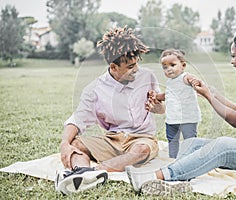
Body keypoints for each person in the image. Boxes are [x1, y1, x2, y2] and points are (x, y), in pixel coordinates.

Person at [126, 23, 236, 196]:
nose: (231, 61)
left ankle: (154, 177)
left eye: (235, 56)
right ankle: (174, 177)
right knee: (192, 143)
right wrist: (213, 91)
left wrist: (208, 96)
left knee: (222, 145)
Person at [55, 26, 165, 195]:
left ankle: (95, 173)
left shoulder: (147, 76)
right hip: (113, 139)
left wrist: (158, 108)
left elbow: (160, 107)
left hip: (142, 139)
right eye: (130, 66)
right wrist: (64, 144)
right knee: (75, 144)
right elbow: (78, 119)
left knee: (142, 150)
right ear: (114, 67)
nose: (136, 69)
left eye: (136, 64)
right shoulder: (94, 89)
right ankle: (82, 172)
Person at [148, 49, 201, 158]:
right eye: (165, 67)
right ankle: (172, 158)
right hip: (172, 119)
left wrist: (194, 81)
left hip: (187, 118)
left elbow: (192, 79)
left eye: (172, 65)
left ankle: (191, 159)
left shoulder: (185, 77)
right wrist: (157, 97)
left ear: (183, 65)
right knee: (172, 140)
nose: (169, 69)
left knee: (190, 140)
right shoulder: (170, 82)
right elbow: (167, 94)